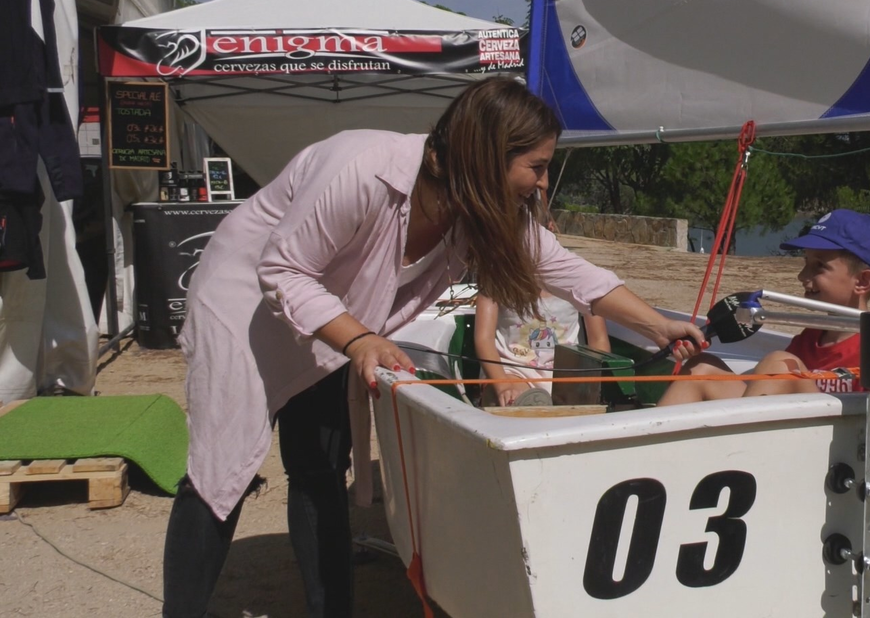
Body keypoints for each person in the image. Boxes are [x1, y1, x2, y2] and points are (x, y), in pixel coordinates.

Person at [161, 78, 704, 618]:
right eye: (535, 167)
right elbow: (283, 269)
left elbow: (564, 268)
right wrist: (360, 338)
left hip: (336, 321)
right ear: (490, 156)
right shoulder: (362, 166)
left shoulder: (482, 207)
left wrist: (657, 324)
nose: (541, 184)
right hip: (247, 307)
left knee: (320, 467)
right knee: (220, 469)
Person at [657, 209, 870, 406]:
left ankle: (735, 454)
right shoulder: (808, 340)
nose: (802, 276)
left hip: (834, 449)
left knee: (780, 363)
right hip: (793, 432)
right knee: (701, 367)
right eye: (805, 263)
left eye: (818, 266)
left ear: (863, 282)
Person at [475, 289, 611, 406]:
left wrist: (595, 385)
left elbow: (598, 339)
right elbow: (484, 339)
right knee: (514, 398)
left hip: (566, 373)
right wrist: (503, 386)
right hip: (513, 370)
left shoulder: (580, 283)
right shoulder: (495, 283)